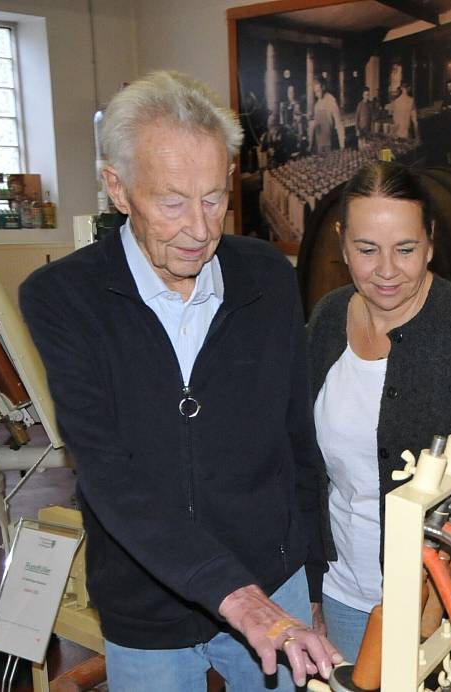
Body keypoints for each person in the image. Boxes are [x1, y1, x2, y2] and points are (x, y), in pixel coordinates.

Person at [20, 70, 340, 691]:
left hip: (275, 583)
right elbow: (109, 477)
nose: (200, 228)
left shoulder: (267, 277)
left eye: (215, 197)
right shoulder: (63, 297)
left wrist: (312, 584)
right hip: (148, 600)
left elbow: (298, 442)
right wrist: (237, 599)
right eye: (172, 202)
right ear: (118, 188)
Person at [306, 160, 451, 660]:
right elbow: (304, 461)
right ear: (341, 243)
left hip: (437, 603)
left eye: (405, 249)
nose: (385, 270)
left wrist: (444, 590)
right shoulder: (329, 318)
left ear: (431, 242)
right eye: (366, 249)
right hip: (343, 591)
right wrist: (312, 584)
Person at [309, 78, 344, 153]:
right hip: (318, 144)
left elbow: (339, 124)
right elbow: (315, 125)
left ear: (323, 87)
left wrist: (342, 145)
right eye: (315, 92)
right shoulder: (317, 105)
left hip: (329, 143)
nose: (317, 95)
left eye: (318, 91)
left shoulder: (331, 100)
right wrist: (311, 144)